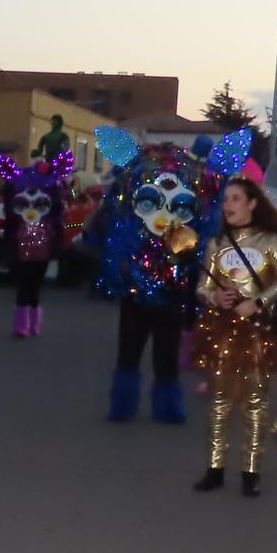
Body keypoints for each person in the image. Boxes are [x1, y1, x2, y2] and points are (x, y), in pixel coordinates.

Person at [192, 175, 277, 494]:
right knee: (219, 401)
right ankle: (215, 468)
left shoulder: (270, 242)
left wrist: (259, 302)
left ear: (252, 204)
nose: (228, 205)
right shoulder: (216, 244)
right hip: (222, 331)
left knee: (254, 402)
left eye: (236, 199)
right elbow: (202, 286)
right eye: (226, 200)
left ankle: (251, 473)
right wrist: (214, 297)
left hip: (257, 332)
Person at [94, 132, 207, 424]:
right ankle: (122, 405)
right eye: (150, 202)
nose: (164, 213)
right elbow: (110, 241)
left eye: (178, 205)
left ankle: (167, 406)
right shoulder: (129, 234)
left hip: (171, 297)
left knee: (167, 356)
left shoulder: (190, 237)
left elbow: (197, 264)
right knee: (128, 351)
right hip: (135, 295)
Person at [0, 143, 75, 339]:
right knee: (24, 284)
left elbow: (58, 229)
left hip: (41, 252)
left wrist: (55, 246)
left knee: (35, 285)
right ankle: (23, 324)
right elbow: (9, 228)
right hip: (22, 251)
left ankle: (31, 323)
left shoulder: (50, 223)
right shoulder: (17, 223)